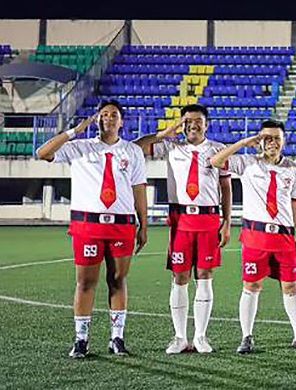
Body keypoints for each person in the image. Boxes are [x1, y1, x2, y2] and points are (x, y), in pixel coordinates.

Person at [37, 100, 148, 358]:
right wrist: (73, 131)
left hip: (122, 224)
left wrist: (143, 225)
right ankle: (81, 339)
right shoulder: (78, 147)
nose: (108, 118)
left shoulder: (132, 152)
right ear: (97, 120)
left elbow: (139, 189)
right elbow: (43, 153)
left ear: (122, 122)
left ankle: (117, 338)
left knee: (118, 279)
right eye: (104, 114)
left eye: (114, 115)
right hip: (87, 224)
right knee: (86, 282)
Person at [209, 120, 296, 354]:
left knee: (291, 286)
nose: (272, 142)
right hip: (255, 235)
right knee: (251, 285)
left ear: (284, 141)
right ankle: (246, 337)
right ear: (260, 140)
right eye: (266, 138)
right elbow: (216, 161)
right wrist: (244, 143)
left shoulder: (292, 168)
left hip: (285, 236)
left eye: (276, 138)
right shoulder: (248, 163)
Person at [134, 104, 231, 354]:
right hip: (180, 220)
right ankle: (179, 337)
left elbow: (226, 188)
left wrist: (227, 221)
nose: (192, 125)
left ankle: (200, 336)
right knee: (179, 277)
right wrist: (162, 134)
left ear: (206, 124)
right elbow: (135, 148)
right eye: (187, 121)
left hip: (209, 219)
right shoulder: (171, 147)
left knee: (205, 276)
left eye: (197, 121)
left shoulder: (218, 150)